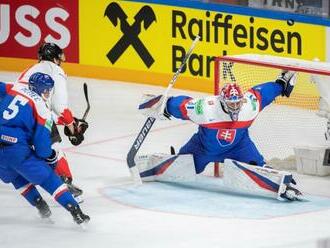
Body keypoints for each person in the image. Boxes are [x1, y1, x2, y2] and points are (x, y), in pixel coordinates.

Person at [136, 70, 302, 200]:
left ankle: (278, 184)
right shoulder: (205, 109)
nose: (236, 107)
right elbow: (183, 105)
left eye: (238, 102)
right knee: (184, 169)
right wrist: (164, 105)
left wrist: (281, 84)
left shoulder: (250, 105)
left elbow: (265, 92)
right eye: (231, 103)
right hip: (202, 148)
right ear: (222, 102)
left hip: (240, 147)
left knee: (257, 167)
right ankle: (170, 162)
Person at [0, 72, 90, 224]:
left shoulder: (15, 87)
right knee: (49, 178)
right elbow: (42, 147)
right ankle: (76, 212)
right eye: (47, 90)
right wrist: (52, 157)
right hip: (16, 150)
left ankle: (41, 207)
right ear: (42, 90)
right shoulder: (42, 108)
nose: (48, 93)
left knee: (16, 177)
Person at [16, 42, 88, 199]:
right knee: (54, 147)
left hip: (12, 115)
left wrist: (68, 121)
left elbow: (36, 106)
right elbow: (59, 107)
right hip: (35, 115)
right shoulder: (56, 70)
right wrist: (72, 127)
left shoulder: (29, 70)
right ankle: (64, 183)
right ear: (55, 57)